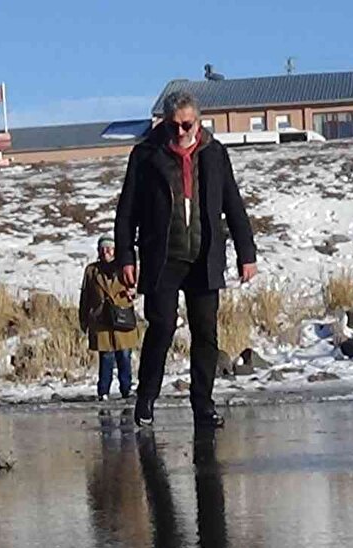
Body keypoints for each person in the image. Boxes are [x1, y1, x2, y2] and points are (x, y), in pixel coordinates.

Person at [115, 91, 258, 429]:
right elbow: (126, 211)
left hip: (204, 257)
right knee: (162, 327)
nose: (180, 132)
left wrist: (246, 253)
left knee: (206, 334)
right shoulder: (146, 155)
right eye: (173, 126)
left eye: (186, 125)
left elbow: (233, 204)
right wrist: (126, 256)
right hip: (162, 257)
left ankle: (203, 405)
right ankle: (146, 398)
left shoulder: (214, 153)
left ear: (198, 122)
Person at [78, 235, 140, 401]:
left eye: (109, 248)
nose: (106, 252)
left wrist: (134, 292)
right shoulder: (92, 271)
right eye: (102, 249)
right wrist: (83, 319)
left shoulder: (125, 267)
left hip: (123, 318)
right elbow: (85, 296)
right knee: (106, 357)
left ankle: (126, 389)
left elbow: (138, 285)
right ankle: (103, 391)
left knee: (124, 356)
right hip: (101, 320)